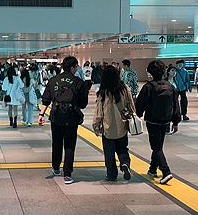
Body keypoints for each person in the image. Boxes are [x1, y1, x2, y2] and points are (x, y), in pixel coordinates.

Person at [38, 56, 90, 184]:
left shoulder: (54, 80)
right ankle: (67, 174)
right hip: (71, 117)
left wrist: (41, 114)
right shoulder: (79, 82)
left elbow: (46, 99)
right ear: (72, 67)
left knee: (57, 143)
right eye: (76, 66)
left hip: (56, 116)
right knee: (69, 145)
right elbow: (83, 104)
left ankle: (56, 168)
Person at [135, 60, 180, 184]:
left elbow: (140, 105)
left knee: (156, 147)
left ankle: (166, 171)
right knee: (158, 145)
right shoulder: (170, 87)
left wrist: (138, 115)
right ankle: (153, 169)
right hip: (166, 121)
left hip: (152, 120)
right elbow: (176, 105)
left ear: (150, 72)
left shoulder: (148, 87)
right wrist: (175, 122)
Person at [92, 66, 135, 181]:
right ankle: (125, 163)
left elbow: (99, 111)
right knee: (122, 149)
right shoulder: (124, 88)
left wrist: (96, 125)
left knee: (109, 153)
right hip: (122, 126)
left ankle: (111, 174)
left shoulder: (103, 91)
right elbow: (131, 105)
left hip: (108, 128)